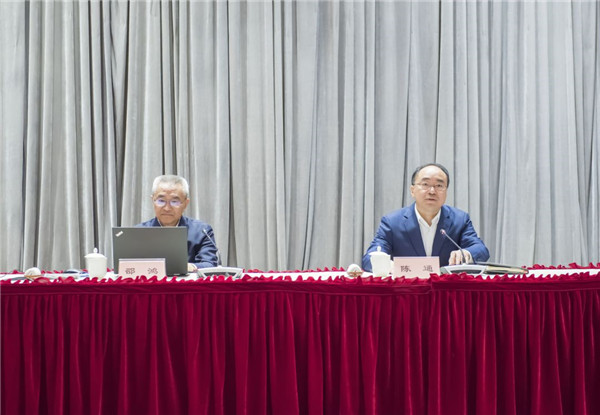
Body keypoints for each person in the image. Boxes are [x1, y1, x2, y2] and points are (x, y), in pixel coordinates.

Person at [362, 163, 489, 272]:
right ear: (412, 190)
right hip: (407, 289)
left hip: (445, 290)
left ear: (446, 192)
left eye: (439, 186)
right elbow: (369, 258)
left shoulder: (459, 220)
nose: (432, 191)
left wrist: (466, 253)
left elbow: (481, 250)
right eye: (425, 184)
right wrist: (388, 266)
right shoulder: (392, 222)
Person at [138, 175, 219, 271]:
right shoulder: (138, 233)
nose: (167, 208)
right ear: (153, 201)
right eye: (161, 201)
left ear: (185, 203)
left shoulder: (202, 232)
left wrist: (190, 267)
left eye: (174, 201)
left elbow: (209, 263)